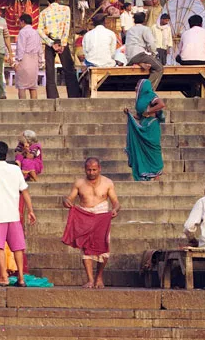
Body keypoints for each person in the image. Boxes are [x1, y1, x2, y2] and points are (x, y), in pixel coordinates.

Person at [0, 141, 37, 287]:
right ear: (6, 154)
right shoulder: (15, 169)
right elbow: (24, 190)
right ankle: (21, 278)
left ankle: (3, 277)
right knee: (17, 247)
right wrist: (31, 210)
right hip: (13, 213)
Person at [62, 158, 120, 288]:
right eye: (89, 170)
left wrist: (115, 209)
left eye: (94, 169)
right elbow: (69, 198)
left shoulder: (108, 183)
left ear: (99, 169)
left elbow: (115, 201)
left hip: (102, 215)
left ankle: (99, 277)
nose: (92, 172)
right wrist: (65, 201)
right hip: (84, 215)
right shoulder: (79, 183)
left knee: (104, 247)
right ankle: (90, 279)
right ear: (85, 169)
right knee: (85, 248)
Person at [39, 0, 82, 99]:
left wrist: (51, 43)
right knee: (69, 69)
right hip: (62, 41)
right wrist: (63, 43)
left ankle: (52, 97)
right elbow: (67, 27)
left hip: (50, 42)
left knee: (50, 71)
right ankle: (74, 95)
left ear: (48, 0)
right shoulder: (65, 9)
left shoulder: (43, 12)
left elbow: (39, 30)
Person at [124, 79, 166, 182]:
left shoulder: (151, 95)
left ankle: (156, 175)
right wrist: (129, 114)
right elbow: (140, 116)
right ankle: (145, 173)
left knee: (154, 149)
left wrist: (148, 111)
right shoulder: (140, 99)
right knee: (142, 150)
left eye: (138, 85)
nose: (136, 87)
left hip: (152, 126)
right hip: (143, 125)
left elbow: (161, 105)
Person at [124, 12, 163, 88]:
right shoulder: (145, 29)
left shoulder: (129, 30)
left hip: (129, 57)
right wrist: (154, 54)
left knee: (147, 61)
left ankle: (141, 64)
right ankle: (147, 90)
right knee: (159, 68)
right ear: (144, 20)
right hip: (139, 54)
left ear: (134, 20)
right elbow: (151, 43)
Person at [13, 14, 41, 99]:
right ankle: (34, 108)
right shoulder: (36, 32)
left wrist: (17, 62)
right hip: (34, 61)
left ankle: (23, 108)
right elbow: (40, 48)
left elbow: (20, 48)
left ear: (22, 22)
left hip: (24, 60)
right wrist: (40, 61)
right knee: (33, 87)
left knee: (22, 86)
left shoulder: (22, 32)